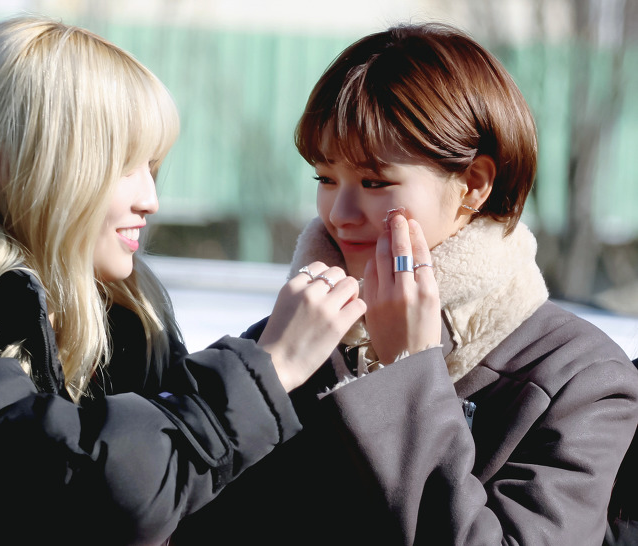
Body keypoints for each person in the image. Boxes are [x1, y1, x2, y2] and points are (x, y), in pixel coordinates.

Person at [0, 16, 366, 544]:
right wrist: (269, 367)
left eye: (153, 168)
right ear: (26, 164)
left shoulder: (126, 324)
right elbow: (81, 490)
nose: (150, 200)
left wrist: (355, 349)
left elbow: (222, 502)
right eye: (124, 165)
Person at [172, 22, 638, 545]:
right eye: (326, 178)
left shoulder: (580, 379)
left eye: (375, 182)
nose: (340, 213)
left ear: (474, 184)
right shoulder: (283, 344)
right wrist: (263, 377)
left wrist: (406, 375)